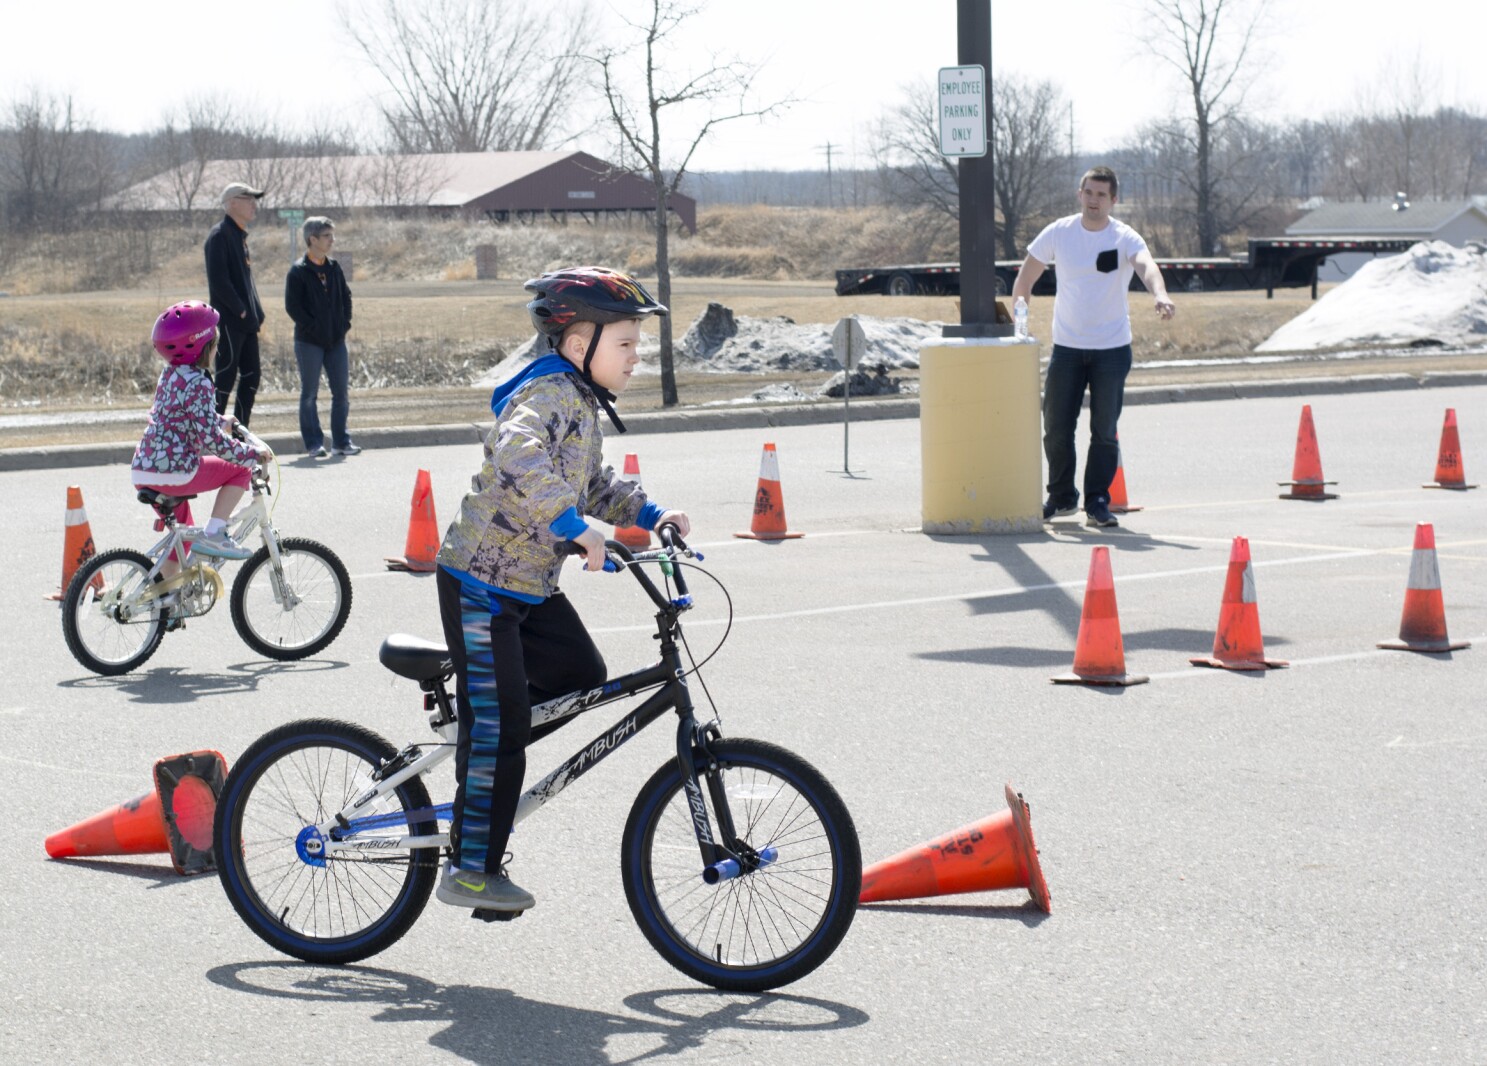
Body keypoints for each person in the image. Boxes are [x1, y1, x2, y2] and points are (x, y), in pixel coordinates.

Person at [433, 266, 690, 912]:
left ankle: (488, 742)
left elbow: (593, 481)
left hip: (527, 585)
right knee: (500, 725)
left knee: (581, 672)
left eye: (638, 345)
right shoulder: (546, 395)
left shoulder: (580, 403)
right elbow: (518, 453)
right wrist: (573, 527)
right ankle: (469, 867)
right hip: (481, 581)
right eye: (626, 344)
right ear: (579, 346)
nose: (637, 357)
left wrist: (651, 515)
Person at [1011, 165, 1175, 529]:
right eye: (1089, 192)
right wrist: (1019, 319)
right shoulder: (1060, 232)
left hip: (1111, 349)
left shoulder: (1124, 236)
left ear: (1113, 200)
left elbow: (1146, 266)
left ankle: (1098, 500)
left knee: (1104, 429)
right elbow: (1026, 277)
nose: (1094, 200)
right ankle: (1061, 497)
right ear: (1079, 194)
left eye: (1102, 195)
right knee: (1056, 426)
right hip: (1067, 348)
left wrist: (1159, 295)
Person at [131, 301, 273, 566]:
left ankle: (166, 603)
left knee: (183, 538)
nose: (217, 349)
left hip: (144, 468)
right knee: (240, 468)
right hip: (174, 471)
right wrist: (253, 455)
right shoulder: (200, 382)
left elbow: (181, 415)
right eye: (215, 344)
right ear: (202, 347)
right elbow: (213, 442)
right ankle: (215, 534)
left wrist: (220, 420)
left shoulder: (171, 375)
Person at [284, 216, 359, 458]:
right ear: (312, 239)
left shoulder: (334, 267)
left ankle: (341, 442)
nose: (332, 240)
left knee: (341, 394)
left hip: (336, 341)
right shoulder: (298, 271)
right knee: (309, 394)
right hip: (309, 343)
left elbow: (346, 297)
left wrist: (344, 323)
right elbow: (293, 308)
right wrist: (314, 328)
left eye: (332, 235)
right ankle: (314, 443)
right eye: (327, 236)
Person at [204, 181, 266, 426]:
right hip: (229, 322)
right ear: (230, 204)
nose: (253, 204)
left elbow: (246, 282)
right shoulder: (219, 236)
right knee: (225, 378)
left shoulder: (240, 236)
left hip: (247, 323)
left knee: (251, 377)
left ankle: (240, 434)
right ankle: (212, 435)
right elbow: (219, 282)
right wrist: (241, 311)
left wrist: (255, 312)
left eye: (254, 199)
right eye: (247, 198)